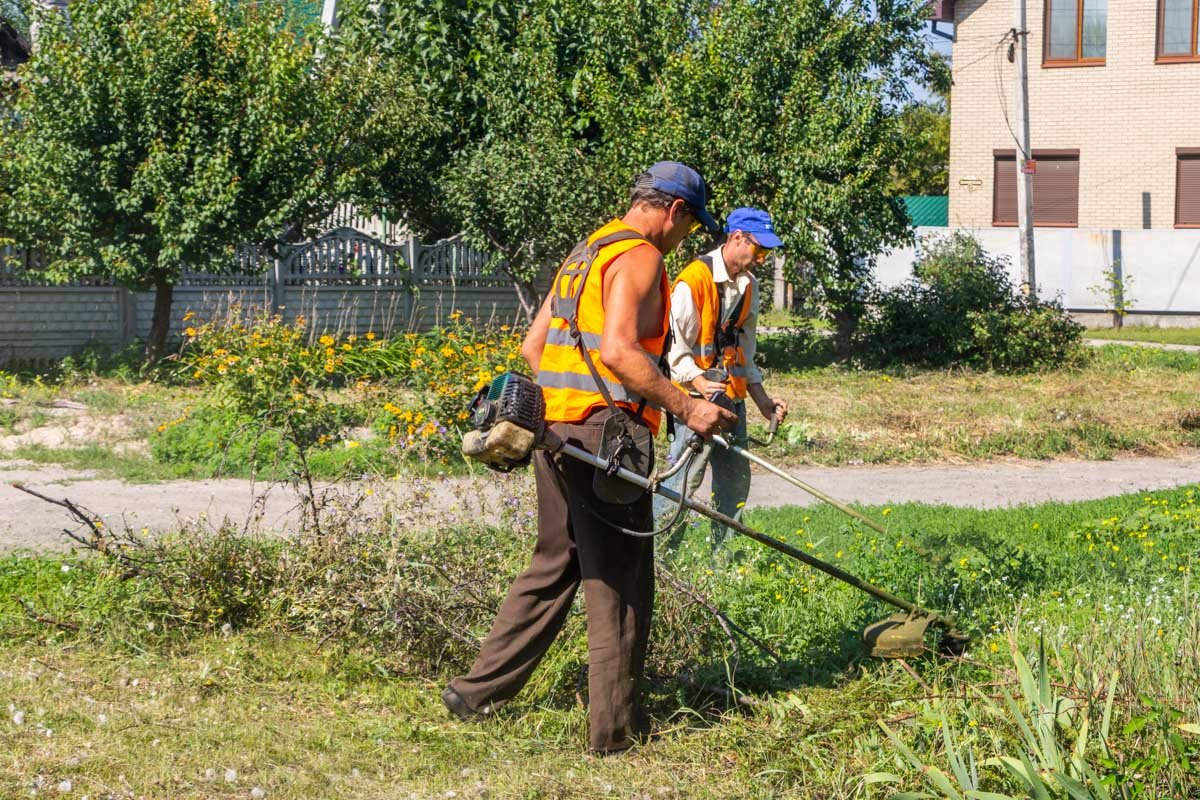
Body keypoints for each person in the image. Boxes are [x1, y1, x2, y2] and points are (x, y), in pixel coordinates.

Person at [441, 162, 736, 754]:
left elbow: (533, 344)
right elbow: (623, 353)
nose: (684, 240)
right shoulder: (641, 256)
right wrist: (689, 408)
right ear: (673, 211)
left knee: (555, 564)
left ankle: (475, 692)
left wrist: (569, 406)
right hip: (608, 438)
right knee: (620, 582)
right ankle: (615, 733)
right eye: (689, 225)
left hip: (554, 433)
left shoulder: (586, 251)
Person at [655, 207, 789, 552]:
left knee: (734, 486)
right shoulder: (693, 281)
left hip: (732, 401)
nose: (762, 257)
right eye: (759, 249)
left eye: (767, 252)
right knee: (681, 483)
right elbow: (672, 350)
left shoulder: (749, 287)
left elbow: (745, 352)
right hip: (695, 403)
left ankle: (724, 563)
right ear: (737, 238)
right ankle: (658, 559)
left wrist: (762, 400)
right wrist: (697, 382)